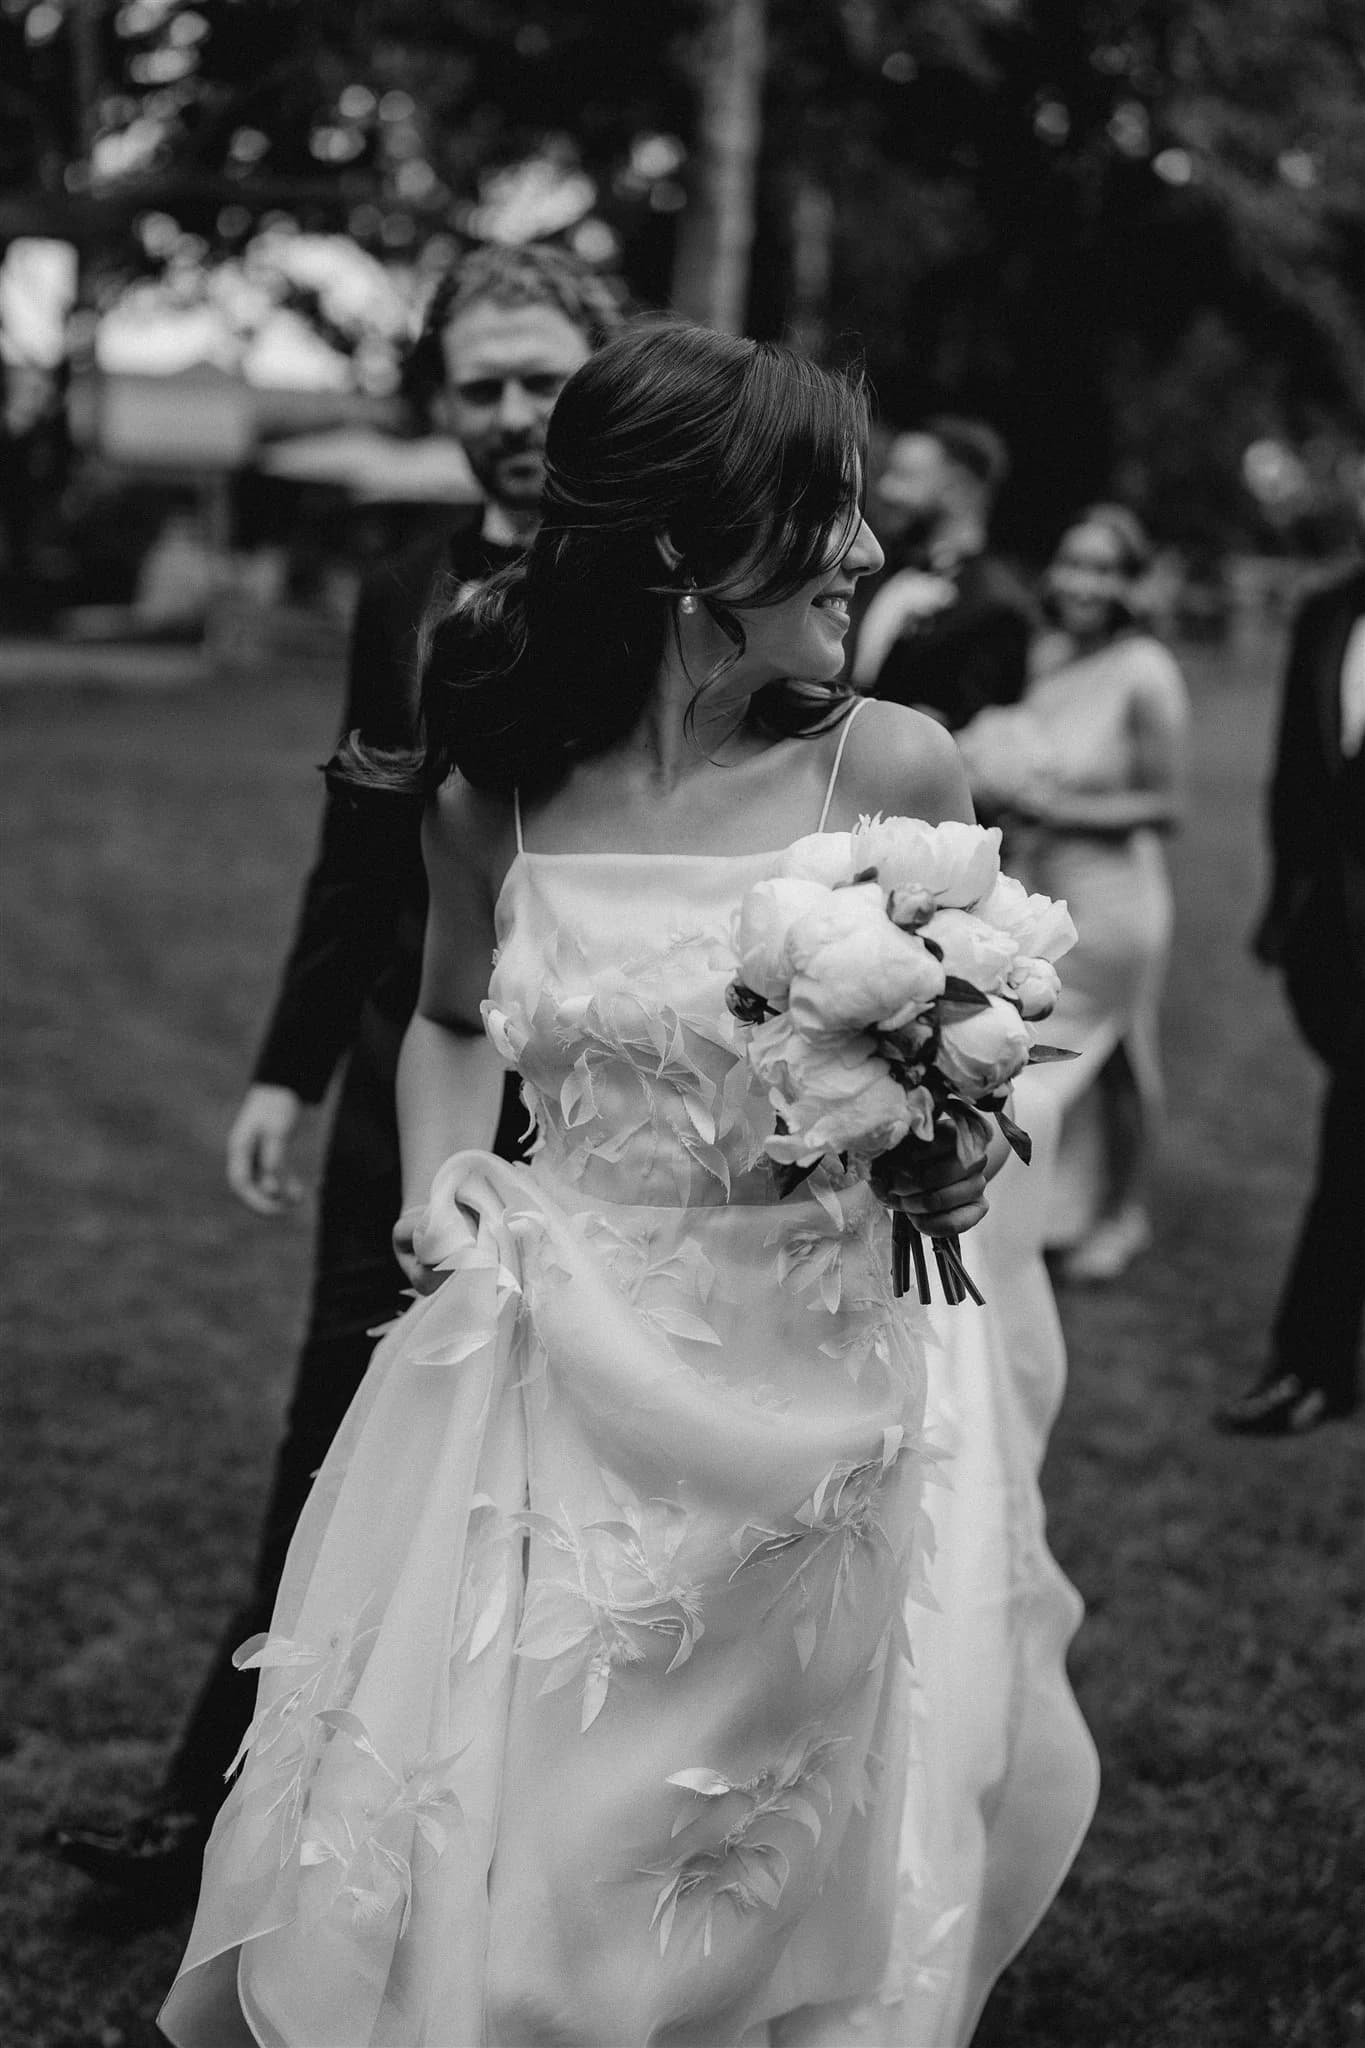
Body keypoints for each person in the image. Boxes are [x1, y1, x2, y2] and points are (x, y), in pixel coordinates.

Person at [160, 324, 1095, 2047]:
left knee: (716, 1864)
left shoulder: (886, 771)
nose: (870, 556)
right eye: (827, 513)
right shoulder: (495, 786)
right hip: (549, 1381)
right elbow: (449, 1021)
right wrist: (445, 1178)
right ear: (684, 543)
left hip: (804, 1416)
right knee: (518, 1861)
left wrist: (950, 1148)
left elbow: (967, 1073)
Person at [52, 243, 624, 1907]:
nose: (514, 416)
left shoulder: (661, 580)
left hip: (606, 1083)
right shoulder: (405, 588)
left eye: (543, 380)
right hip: (407, 1066)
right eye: (482, 385)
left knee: (567, 1459)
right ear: (439, 400)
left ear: (598, 376)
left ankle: (507, 1831)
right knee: (336, 1422)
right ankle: (214, 1804)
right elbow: (359, 848)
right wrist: (287, 1069)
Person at [957, 504, 1190, 1282]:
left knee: (1119, 1056)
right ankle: (1059, 1206)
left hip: (1113, 900)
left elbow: (1166, 805)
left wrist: (1057, 809)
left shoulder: (1144, 670)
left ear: (1129, 583)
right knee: (1046, 1056)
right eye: (1072, 562)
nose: (1083, 581)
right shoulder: (1046, 653)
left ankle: (1125, 1214)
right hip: (1043, 888)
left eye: (1103, 567)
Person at [1216, 531, 1365, 1435]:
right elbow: (1293, 775)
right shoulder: (1325, 608)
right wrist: (1283, 905)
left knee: (1349, 1139)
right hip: (1331, 929)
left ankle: (1310, 1363)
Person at [851, 417, 1036, 731]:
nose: (885, 490)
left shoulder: (996, 607)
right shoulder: (877, 571)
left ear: (958, 489)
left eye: (904, 477)